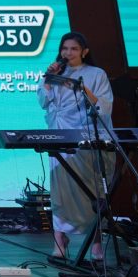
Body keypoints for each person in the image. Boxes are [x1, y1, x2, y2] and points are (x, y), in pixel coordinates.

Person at [38, 31, 115, 264]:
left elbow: (104, 107)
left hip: (87, 138)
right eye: (64, 49)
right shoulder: (54, 74)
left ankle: (96, 243)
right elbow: (43, 102)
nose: (68, 53)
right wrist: (48, 79)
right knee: (60, 189)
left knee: (94, 190)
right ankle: (60, 240)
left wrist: (82, 88)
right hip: (59, 136)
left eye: (73, 49)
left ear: (84, 52)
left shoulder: (96, 74)